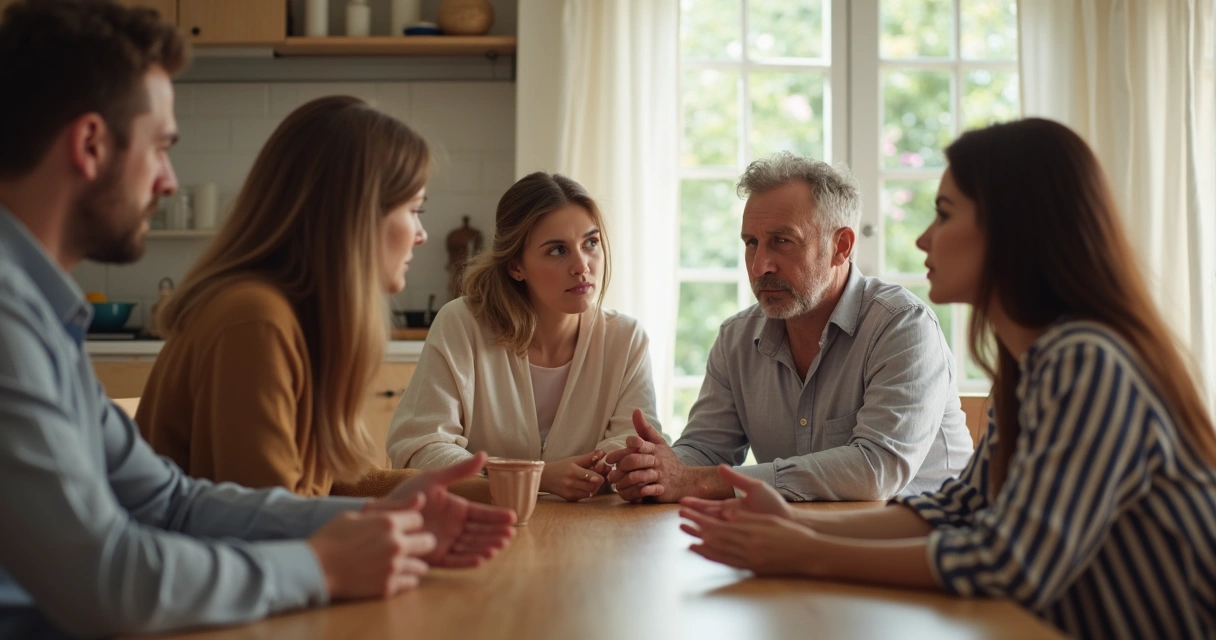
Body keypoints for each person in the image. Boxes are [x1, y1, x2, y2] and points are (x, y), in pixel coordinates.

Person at [0, 2, 513, 638]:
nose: (169, 182)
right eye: (161, 147)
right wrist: (320, 564)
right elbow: (108, 580)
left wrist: (357, 519)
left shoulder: (41, 316)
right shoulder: (11, 322)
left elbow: (168, 500)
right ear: (90, 144)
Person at [678, 118, 1216, 640]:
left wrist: (806, 551)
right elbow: (965, 507)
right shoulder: (1031, 364)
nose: (922, 239)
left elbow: (1012, 561)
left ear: (1014, 230)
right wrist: (799, 526)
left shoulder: (1086, 359)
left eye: (943, 213)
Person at [607, 153, 971, 503]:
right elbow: (705, 449)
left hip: (924, 549)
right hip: (801, 542)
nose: (759, 265)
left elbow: (876, 470)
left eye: (782, 241)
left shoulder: (903, 326)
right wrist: (651, 469)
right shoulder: (736, 338)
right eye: (751, 243)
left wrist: (695, 482)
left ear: (841, 247)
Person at [136, 94, 435, 498]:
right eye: (414, 209)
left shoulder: (293, 316)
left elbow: (339, 481)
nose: (421, 234)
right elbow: (269, 521)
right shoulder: (255, 320)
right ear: (355, 216)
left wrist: (500, 490)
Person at [385, 172, 665, 502]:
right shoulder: (462, 324)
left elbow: (634, 442)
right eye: (558, 250)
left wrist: (611, 469)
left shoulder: (626, 338)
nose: (581, 266)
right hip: (479, 524)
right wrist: (538, 477)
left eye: (591, 243)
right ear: (516, 266)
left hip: (591, 529)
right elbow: (420, 447)